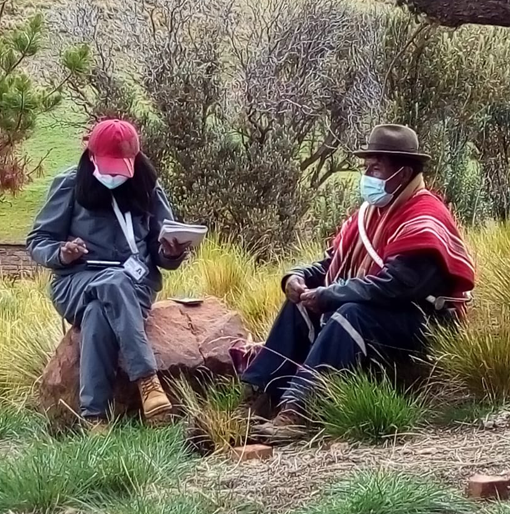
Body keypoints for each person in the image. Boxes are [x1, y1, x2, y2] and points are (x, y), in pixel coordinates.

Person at [241, 124, 475, 438]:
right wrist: (297, 278)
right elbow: (331, 263)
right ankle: (262, 395)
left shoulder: (425, 217)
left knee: (350, 314)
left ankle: (299, 410)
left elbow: (395, 286)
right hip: (385, 312)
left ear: (403, 174)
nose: (367, 176)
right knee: (298, 304)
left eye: (375, 168)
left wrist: (330, 294)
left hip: (423, 321)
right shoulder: (370, 213)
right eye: (366, 167)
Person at [27, 119, 190, 428]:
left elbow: (161, 250)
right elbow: (38, 242)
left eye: (120, 167)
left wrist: (171, 252)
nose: (114, 175)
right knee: (111, 284)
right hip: (76, 282)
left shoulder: (148, 188)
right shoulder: (70, 184)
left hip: (135, 286)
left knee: (98, 315)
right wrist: (62, 252)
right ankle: (148, 381)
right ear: (91, 157)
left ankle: (94, 419)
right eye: (107, 166)